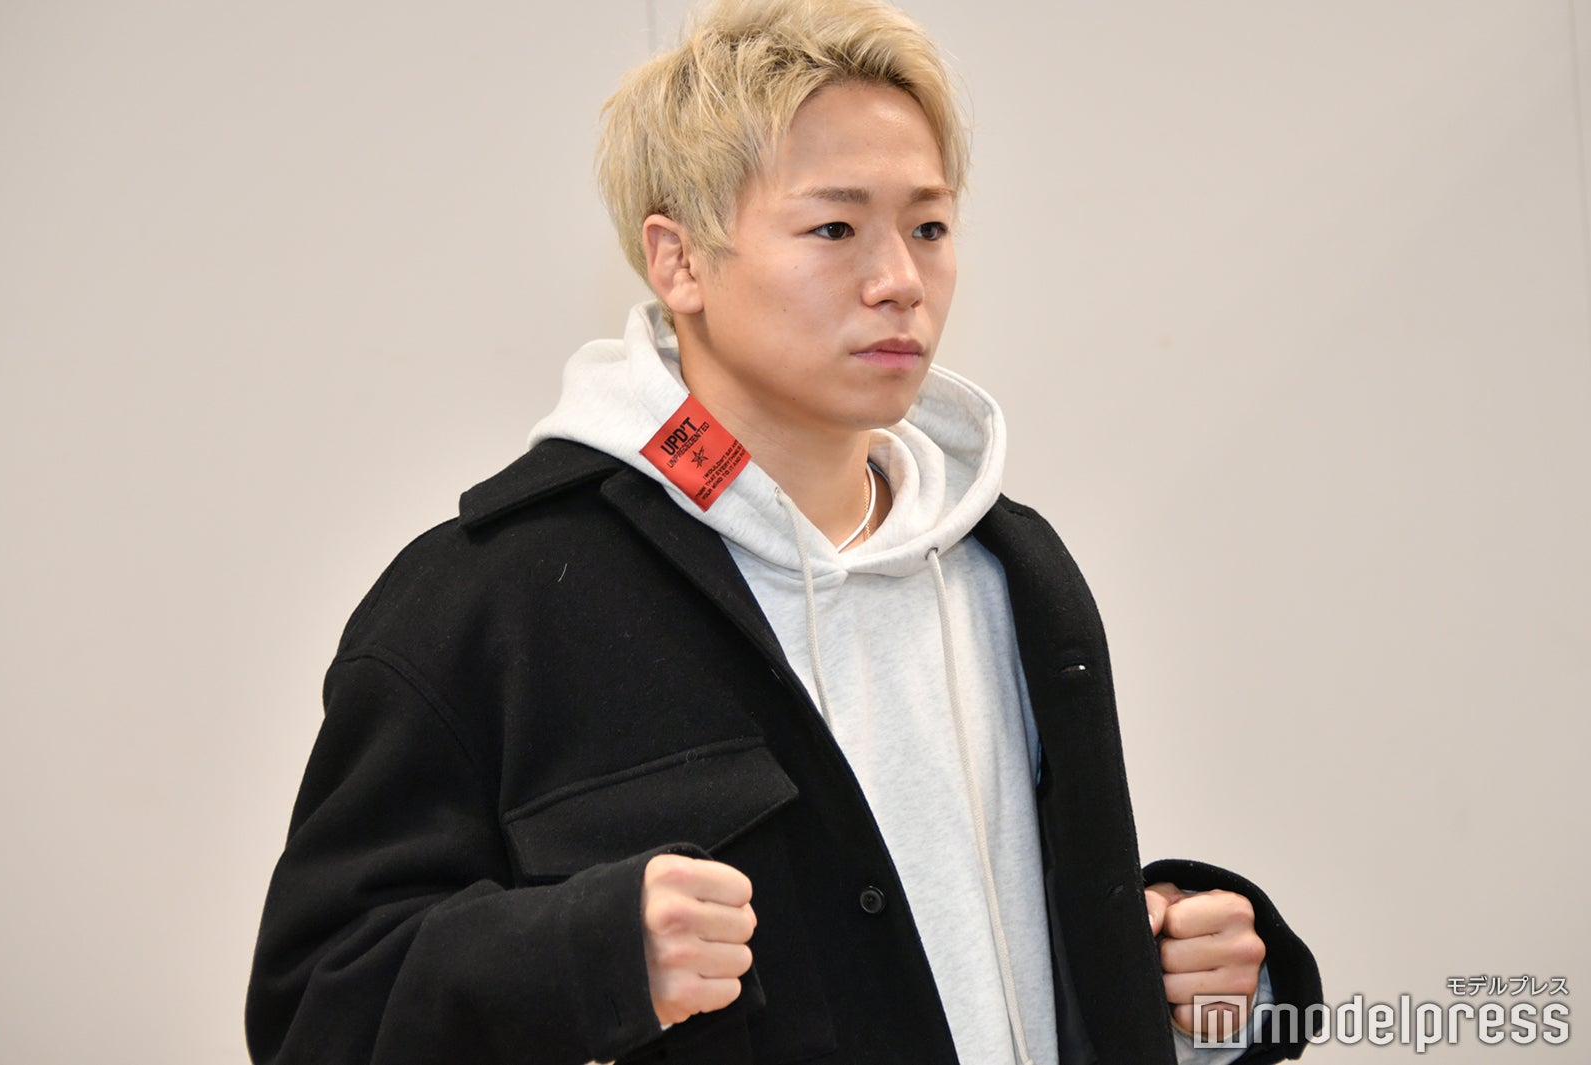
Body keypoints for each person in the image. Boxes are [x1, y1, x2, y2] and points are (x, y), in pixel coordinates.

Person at [246, 1, 1322, 1062]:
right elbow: (316, 1010)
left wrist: (1194, 988)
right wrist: (590, 959)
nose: (900, 281)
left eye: (930, 226)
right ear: (678, 261)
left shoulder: (1012, 570)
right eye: (834, 229)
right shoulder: (495, 598)